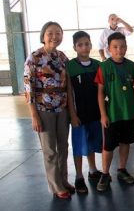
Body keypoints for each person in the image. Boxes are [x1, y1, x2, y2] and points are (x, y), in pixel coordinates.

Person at [24, 21, 74, 199]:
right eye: (50, 33)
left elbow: (70, 81)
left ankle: (63, 179)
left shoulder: (62, 57)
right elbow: (28, 88)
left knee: (63, 146)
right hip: (43, 109)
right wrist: (34, 115)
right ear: (43, 36)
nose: (55, 36)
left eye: (58, 33)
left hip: (62, 108)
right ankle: (55, 186)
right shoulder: (35, 57)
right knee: (50, 149)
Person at [94, 32, 134, 192]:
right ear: (108, 49)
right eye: (115, 47)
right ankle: (105, 174)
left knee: (125, 142)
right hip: (112, 114)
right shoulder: (104, 67)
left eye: (123, 46)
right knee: (109, 146)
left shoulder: (132, 66)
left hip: (129, 113)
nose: (120, 50)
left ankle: (122, 169)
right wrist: (103, 114)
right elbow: (100, 92)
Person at [66, 31, 102, 194]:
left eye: (87, 43)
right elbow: (69, 93)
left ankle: (93, 170)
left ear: (91, 45)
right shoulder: (70, 66)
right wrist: (72, 115)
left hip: (95, 113)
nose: (84, 47)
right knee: (79, 145)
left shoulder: (97, 65)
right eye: (80, 44)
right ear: (75, 47)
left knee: (92, 142)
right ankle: (79, 176)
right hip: (79, 115)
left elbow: (102, 91)